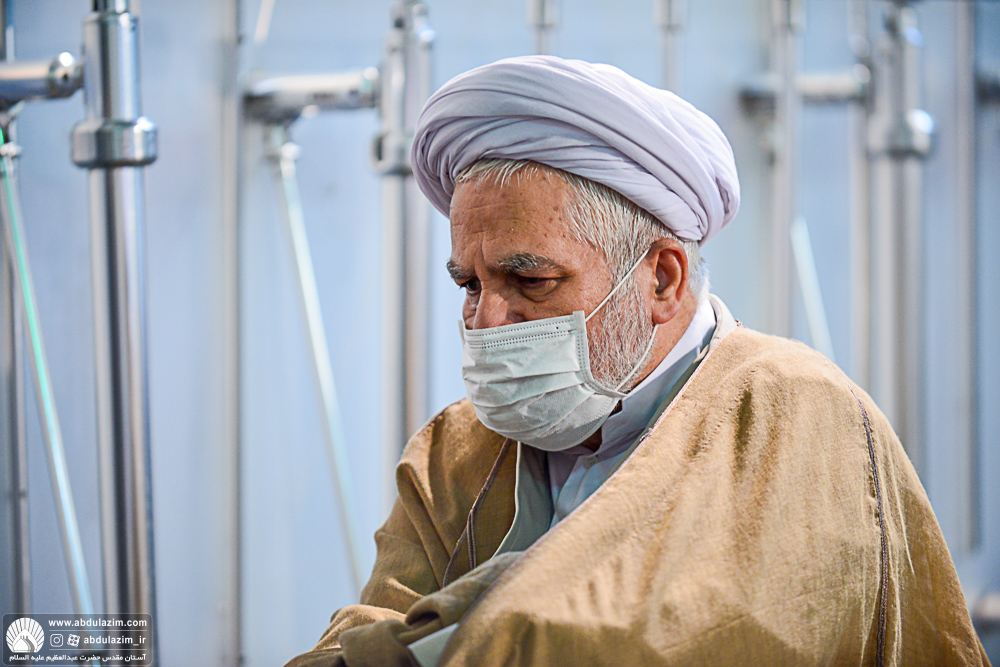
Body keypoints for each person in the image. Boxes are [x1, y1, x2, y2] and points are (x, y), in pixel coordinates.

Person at [286, 56, 988, 667]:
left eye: (531, 280)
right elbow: (350, 642)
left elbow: (654, 645)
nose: (486, 321)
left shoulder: (789, 412)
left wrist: (447, 633)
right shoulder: (456, 450)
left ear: (661, 280)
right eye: (470, 284)